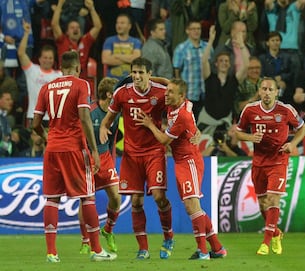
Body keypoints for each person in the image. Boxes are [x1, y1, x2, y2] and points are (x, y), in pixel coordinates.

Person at [32, 51, 116, 262]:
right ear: (78, 68)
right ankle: (97, 251)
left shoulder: (46, 88)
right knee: (87, 196)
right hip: (74, 149)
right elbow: (85, 118)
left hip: (52, 149)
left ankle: (51, 253)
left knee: (52, 199)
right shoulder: (81, 85)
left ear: (61, 67)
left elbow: (35, 124)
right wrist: (94, 150)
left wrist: (47, 138)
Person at [137, 78, 227, 260]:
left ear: (181, 96)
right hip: (180, 161)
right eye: (167, 91)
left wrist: (149, 125)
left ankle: (203, 251)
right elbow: (167, 81)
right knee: (191, 207)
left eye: (170, 92)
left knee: (192, 205)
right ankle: (217, 248)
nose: (166, 94)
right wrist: (149, 78)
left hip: (190, 161)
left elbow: (164, 140)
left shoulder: (182, 116)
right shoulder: (176, 103)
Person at [100, 57, 174, 260]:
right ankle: (143, 248)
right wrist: (103, 130)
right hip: (132, 155)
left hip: (154, 152)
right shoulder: (122, 93)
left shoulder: (160, 92)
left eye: (142, 72)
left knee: (159, 197)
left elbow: (175, 94)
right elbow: (107, 121)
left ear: (149, 74)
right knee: (136, 201)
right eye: (134, 72)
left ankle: (168, 236)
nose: (137, 76)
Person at [235, 77, 305, 255]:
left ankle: (266, 243)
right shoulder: (250, 110)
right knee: (262, 205)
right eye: (264, 89)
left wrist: (293, 144)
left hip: (278, 160)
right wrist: (251, 138)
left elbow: (302, 128)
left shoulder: (285, 110)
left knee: (273, 199)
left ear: (277, 92)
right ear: (259, 91)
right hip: (259, 162)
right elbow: (238, 132)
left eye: (270, 89)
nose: (267, 93)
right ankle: (275, 233)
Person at [78, 77, 121, 255]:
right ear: (109, 95)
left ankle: (108, 230)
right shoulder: (91, 111)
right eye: (116, 94)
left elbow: (113, 138)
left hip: (105, 158)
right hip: (87, 159)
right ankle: (86, 241)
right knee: (87, 200)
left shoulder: (115, 114)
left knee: (116, 197)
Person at [197, 25, 247, 136]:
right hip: (206, 122)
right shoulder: (209, 77)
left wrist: (241, 44)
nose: (224, 63)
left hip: (225, 124)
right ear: (216, 64)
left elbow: (246, 66)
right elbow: (204, 61)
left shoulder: (234, 79)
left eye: (226, 61)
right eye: (221, 61)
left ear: (230, 64)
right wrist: (210, 41)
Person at [18, 20, 61, 128]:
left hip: (53, 119)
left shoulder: (59, 75)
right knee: (34, 145)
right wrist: (26, 33)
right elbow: (21, 53)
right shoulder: (32, 70)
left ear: (54, 60)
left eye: (50, 58)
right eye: (45, 57)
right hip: (34, 115)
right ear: (40, 59)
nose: (47, 60)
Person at [51, 0, 102, 80]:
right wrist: (60, 4)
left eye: (78, 27)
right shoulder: (62, 41)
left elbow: (97, 26)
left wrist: (92, 9)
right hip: (64, 80)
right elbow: (54, 25)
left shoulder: (85, 41)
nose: (76, 29)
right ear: (67, 32)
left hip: (81, 80)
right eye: (72, 27)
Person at [173, 19, 212, 121]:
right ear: (187, 31)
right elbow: (177, 70)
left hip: (205, 91)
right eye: (193, 29)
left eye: (198, 29)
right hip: (189, 93)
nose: (196, 31)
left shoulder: (207, 47)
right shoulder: (181, 49)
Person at [101, 13, 142, 80]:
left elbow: (135, 60)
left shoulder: (136, 42)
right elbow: (105, 59)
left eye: (122, 23)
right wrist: (129, 59)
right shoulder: (109, 41)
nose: (119, 25)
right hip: (113, 80)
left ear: (129, 26)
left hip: (130, 80)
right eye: (117, 23)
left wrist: (116, 56)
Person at [0, 90, 14, 157]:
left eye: (11, 99)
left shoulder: (5, 117)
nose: (11, 102)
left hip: (5, 156)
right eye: (7, 99)